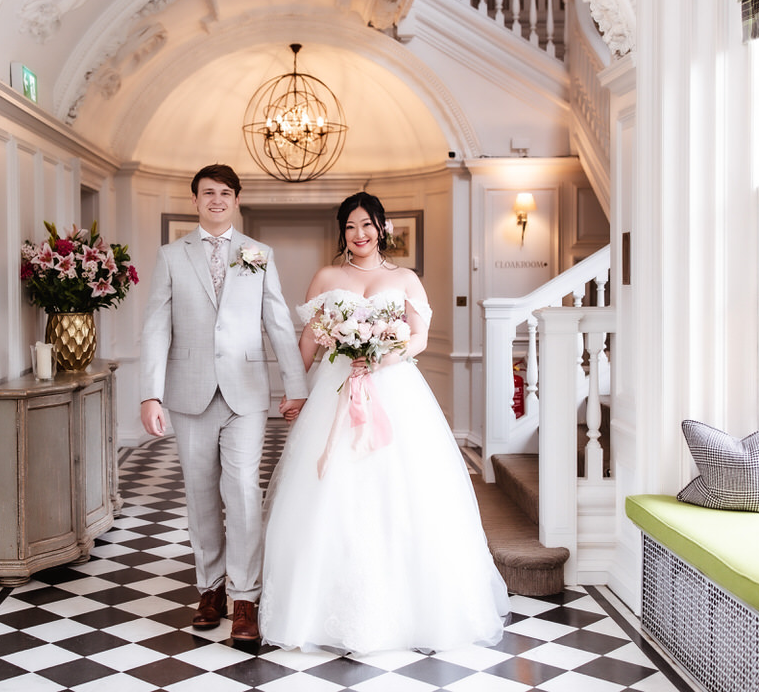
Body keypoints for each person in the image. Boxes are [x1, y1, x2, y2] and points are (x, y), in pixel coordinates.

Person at [259, 191, 510, 655]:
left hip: (393, 390)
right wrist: (293, 391)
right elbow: (310, 341)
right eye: (351, 226)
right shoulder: (327, 276)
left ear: (382, 227)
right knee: (330, 492)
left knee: (403, 491)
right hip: (336, 392)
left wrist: (382, 354)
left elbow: (420, 336)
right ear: (343, 231)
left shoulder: (404, 278)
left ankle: (413, 611)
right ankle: (321, 612)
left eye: (368, 224)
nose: (360, 234)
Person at [139, 163, 309, 643]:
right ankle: (208, 588)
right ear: (195, 200)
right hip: (189, 392)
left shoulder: (256, 254)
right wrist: (150, 394)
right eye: (208, 192)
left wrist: (295, 387)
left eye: (226, 193)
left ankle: (245, 598)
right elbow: (155, 327)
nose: (217, 200)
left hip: (246, 393)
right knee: (200, 496)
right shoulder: (171, 255)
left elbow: (276, 320)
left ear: (236, 200)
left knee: (242, 492)